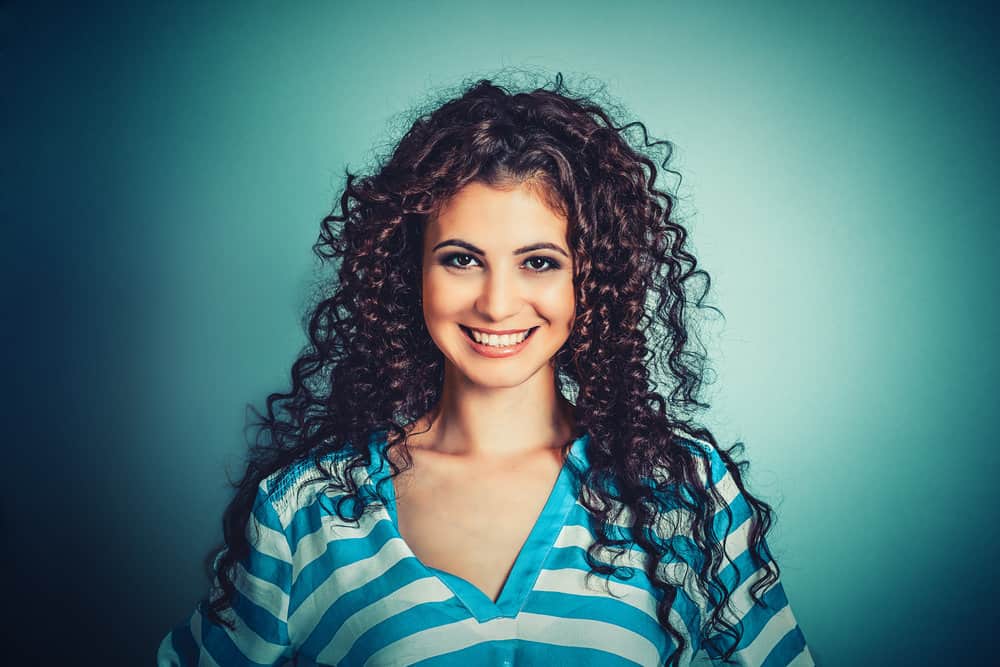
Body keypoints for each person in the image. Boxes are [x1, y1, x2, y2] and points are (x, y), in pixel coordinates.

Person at [157, 72, 814, 667]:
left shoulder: (683, 489)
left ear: (592, 279)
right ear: (409, 271)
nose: (497, 303)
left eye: (538, 261)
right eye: (461, 258)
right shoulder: (308, 509)